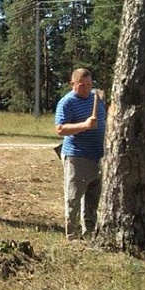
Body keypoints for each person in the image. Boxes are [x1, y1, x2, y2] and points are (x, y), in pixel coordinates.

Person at [54, 68, 106, 241]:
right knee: (74, 197)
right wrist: (84, 125)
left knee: (92, 198)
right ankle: (72, 235)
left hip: (97, 156)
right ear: (73, 84)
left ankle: (89, 233)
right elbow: (60, 129)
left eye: (89, 85)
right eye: (82, 86)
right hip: (76, 156)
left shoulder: (96, 98)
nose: (86, 89)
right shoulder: (67, 102)